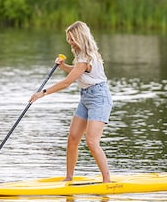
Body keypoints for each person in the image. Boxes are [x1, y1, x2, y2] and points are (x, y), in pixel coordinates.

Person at [30, 21, 113, 183]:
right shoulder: (81, 56)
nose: (70, 43)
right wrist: (63, 66)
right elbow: (77, 73)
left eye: (72, 39)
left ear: (80, 38)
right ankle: (68, 178)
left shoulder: (86, 57)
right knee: (73, 138)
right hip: (86, 97)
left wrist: (43, 93)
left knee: (91, 141)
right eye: (68, 39)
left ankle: (107, 181)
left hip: (99, 98)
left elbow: (67, 82)